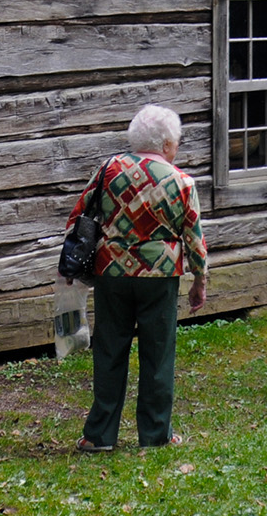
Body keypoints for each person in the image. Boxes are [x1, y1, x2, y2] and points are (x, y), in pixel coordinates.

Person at [65, 104, 208, 453]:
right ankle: (156, 434)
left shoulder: (108, 169)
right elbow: (194, 238)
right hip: (159, 276)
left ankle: (99, 436)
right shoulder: (181, 182)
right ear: (165, 145)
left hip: (111, 273)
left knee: (109, 351)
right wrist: (199, 280)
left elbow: (79, 214)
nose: (176, 148)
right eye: (176, 142)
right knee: (158, 355)